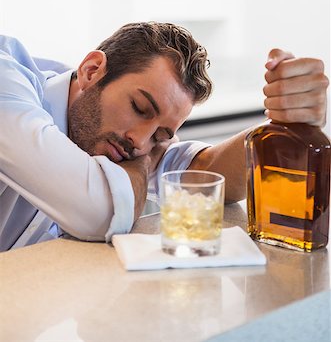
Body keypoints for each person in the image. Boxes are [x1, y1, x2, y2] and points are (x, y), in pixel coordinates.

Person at [0, 22, 328, 251]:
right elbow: (96, 213)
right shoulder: (8, 82)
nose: (140, 143)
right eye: (140, 107)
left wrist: (287, 122)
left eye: (161, 134)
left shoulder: (119, 142)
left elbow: (214, 173)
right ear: (91, 71)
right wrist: (145, 161)